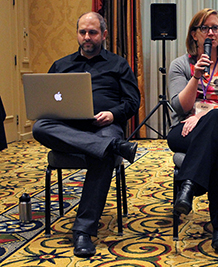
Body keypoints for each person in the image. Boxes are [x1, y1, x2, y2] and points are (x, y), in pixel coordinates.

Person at [32, 12, 140, 257]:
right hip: (67, 128)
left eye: (92, 32)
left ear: (103, 34)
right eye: (83, 32)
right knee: (40, 127)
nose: (87, 37)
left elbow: (133, 102)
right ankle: (114, 146)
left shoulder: (118, 64)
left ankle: (83, 231)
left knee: (101, 154)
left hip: (104, 127)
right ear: (77, 34)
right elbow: (46, 102)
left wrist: (112, 115)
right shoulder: (61, 65)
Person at [167, 8, 218, 251]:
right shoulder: (180, 65)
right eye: (205, 28)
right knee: (217, 147)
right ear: (194, 35)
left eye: (216, 28)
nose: (211, 33)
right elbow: (180, 106)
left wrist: (203, 115)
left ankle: (189, 184)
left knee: (214, 121)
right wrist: (196, 76)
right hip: (186, 131)